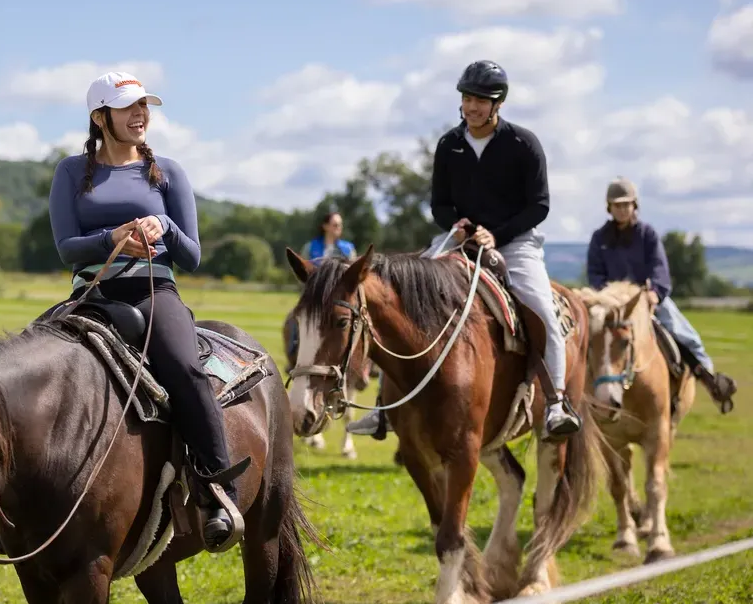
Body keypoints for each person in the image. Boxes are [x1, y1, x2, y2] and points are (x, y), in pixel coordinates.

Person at [47, 72, 243, 552]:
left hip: (155, 292)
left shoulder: (168, 172)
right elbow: (66, 249)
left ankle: (219, 490)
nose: (141, 115)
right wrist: (110, 238)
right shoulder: (71, 172)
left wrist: (165, 227)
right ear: (100, 117)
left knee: (185, 370)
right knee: (36, 365)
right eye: (128, 107)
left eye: (144, 107)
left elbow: (192, 255)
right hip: (93, 296)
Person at [351, 59, 580, 440]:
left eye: (482, 100)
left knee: (542, 309)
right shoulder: (449, 144)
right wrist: (455, 224)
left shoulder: (524, 144)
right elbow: (439, 203)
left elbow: (539, 205)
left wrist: (497, 233)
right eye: (467, 98)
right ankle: (382, 408)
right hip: (460, 239)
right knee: (399, 297)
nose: (473, 106)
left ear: (499, 103)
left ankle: (556, 403)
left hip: (516, 241)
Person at [586, 177, 738, 412]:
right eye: (617, 205)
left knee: (683, 333)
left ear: (635, 205)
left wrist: (655, 293)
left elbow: (660, 269)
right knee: (586, 336)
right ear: (609, 207)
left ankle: (710, 380)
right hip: (612, 304)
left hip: (647, 299)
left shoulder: (647, 234)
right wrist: (606, 297)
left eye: (627, 204)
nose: (622, 209)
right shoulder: (600, 238)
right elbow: (595, 274)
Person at [285, 210, 358, 364]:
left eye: (340, 225)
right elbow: (303, 271)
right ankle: (293, 357)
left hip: (338, 298)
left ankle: (366, 364)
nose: (338, 227)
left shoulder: (347, 249)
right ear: (325, 226)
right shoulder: (310, 247)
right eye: (335, 224)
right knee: (294, 319)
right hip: (315, 296)